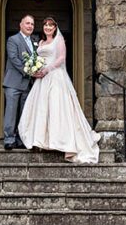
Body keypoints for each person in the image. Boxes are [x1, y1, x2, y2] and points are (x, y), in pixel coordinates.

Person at [18, 16, 100, 164]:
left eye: (51, 25)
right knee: (42, 108)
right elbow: (37, 59)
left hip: (55, 76)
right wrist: (36, 69)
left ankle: (59, 141)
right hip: (42, 78)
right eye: (45, 25)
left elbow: (61, 58)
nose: (48, 28)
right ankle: (41, 141)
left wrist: (47, 69)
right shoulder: (41, 42)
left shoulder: (59, 40)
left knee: (56, 107)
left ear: (55, 28)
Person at [3, 13, 36, 150]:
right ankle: (9, 139)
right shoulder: (13, 40)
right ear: (21, 25)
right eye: (27, 23)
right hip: (13, 83)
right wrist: (29, 71)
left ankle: (21, 139)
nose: (30, 26)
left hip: (28, 84)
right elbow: (14, 59)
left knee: (25, 113)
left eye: (32, 24)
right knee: (11, 112)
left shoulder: (34, 41)